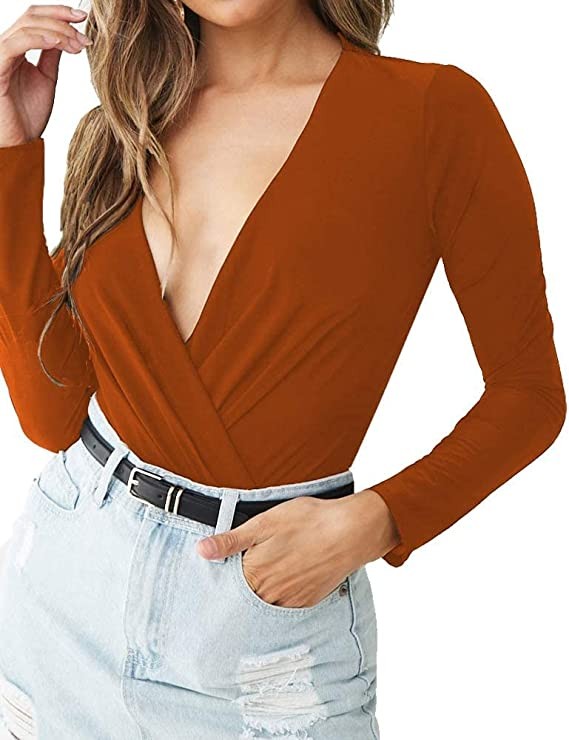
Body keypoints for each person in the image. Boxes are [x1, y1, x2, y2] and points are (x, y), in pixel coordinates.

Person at [0, 0, 565, 737]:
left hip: (260, 635)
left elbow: (529, 393)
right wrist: (11, 150)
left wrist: (377, 520)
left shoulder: (431, 114)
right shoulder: (125, 128)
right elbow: (51, 417)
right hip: (64, 594)